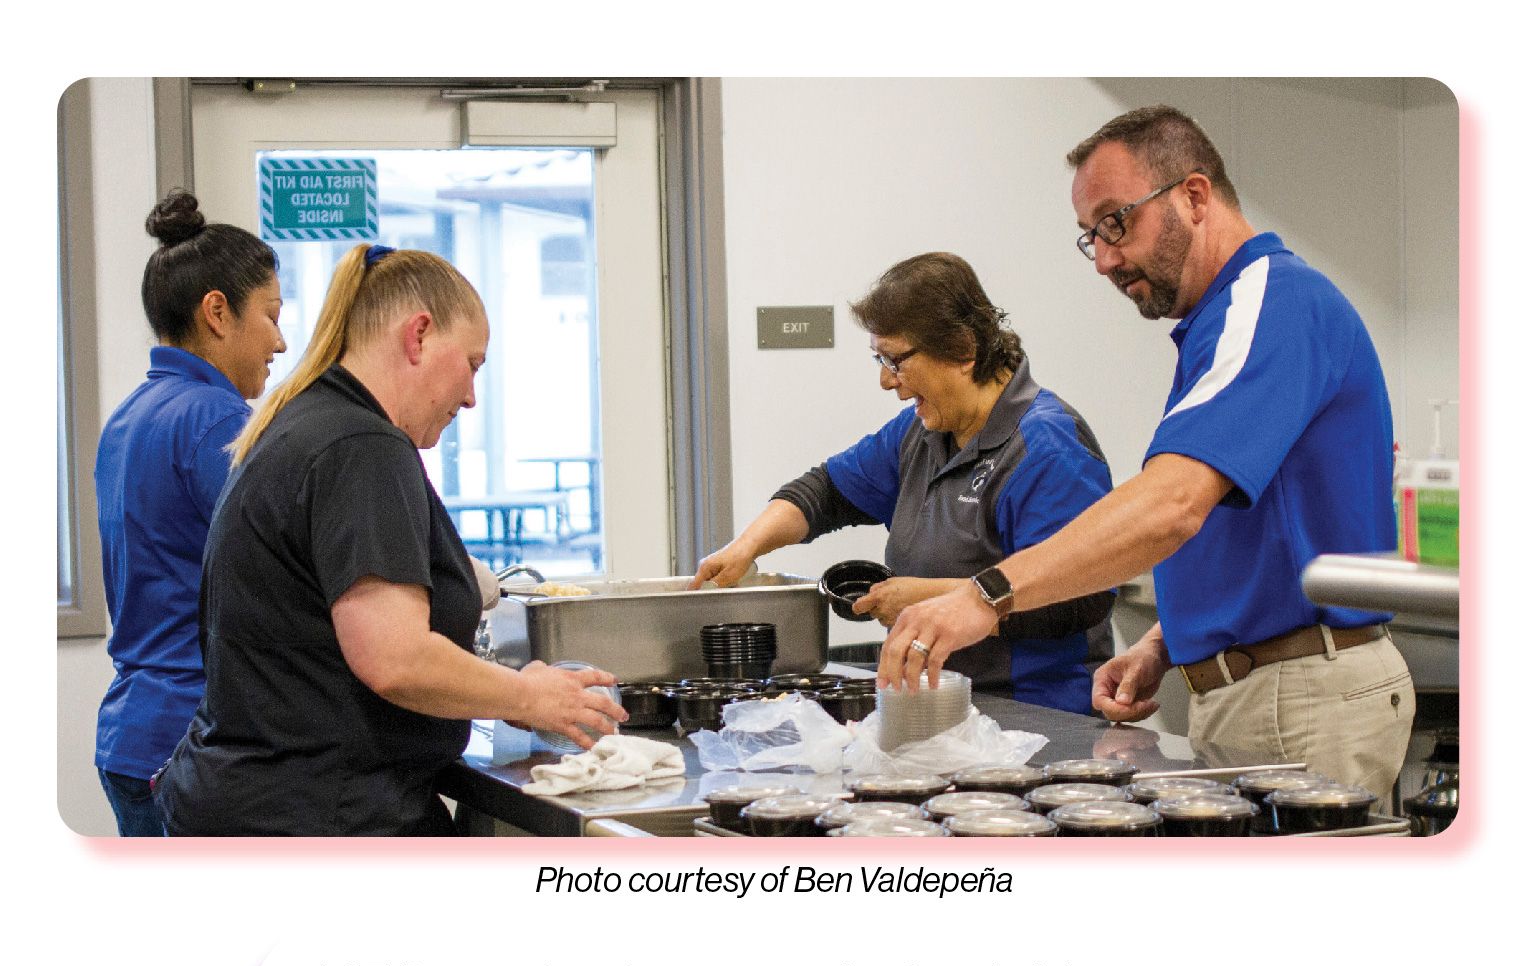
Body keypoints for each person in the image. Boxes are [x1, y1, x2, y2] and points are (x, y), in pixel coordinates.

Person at [877, 106, 1414, 801]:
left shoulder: (1272, 303)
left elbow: (1171, 505)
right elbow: (1256, 528)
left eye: (1114, 222)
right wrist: (1166, 643)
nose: (1103, 258)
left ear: (1193, 196)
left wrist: (987, 594)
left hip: (1302, 696)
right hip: (1257, 688)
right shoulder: (1218, 324)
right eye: (1089, 237)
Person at [154, 243, 625, 836]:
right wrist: (525, 697)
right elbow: (395, 658)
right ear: (419, 335)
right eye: (473, 365)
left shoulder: (306, 421)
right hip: (316, 819)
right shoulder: (361, 446)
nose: (471, 397)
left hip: (263, 801)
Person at [692, 252, 1115, 714]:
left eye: (895, 360)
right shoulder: (920, 433)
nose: (885, 381)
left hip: (1036, 714)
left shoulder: (1047, 449)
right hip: (941, 707)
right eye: (879, 358)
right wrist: (746, 547)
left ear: (962, 348)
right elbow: (825, 492)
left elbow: (1076, 601)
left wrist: (932, 599)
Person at [93, 190, 286, 836]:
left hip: (130, 733)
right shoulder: (215, 420)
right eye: (271, 315)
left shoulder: (127, 417)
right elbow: (284, 567)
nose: (281, 342)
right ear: (216, 313)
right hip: (186, 740)